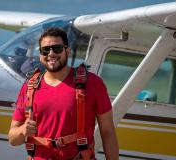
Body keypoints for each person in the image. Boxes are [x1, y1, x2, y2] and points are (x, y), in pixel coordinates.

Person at [8, 27, 119, 160]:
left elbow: (108, 132)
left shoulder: (93, 83)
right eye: (45, 50)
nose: (51, 54)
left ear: (68, 51)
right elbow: (13, 139)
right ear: (40, 55)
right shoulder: (29, 87)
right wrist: (22, 130)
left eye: (57, 49)